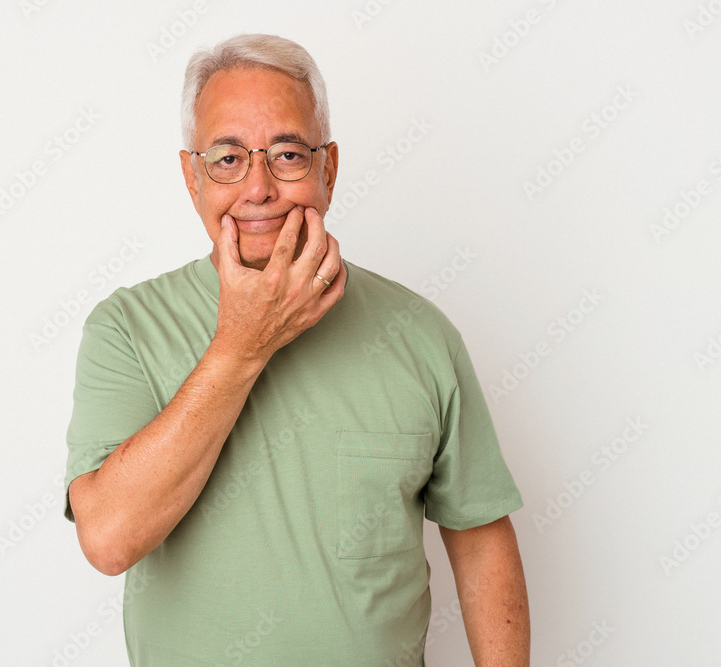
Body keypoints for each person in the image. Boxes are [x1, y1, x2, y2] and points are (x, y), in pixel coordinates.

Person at [63, 33, 530, 666]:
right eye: (227, 159)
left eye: (287, 155)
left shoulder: (419, 334)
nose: (258, 188)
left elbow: (477, 534)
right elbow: (109, 539)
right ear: (191, 177)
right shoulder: (127, 328)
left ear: (329, 169)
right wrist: (243, 343)